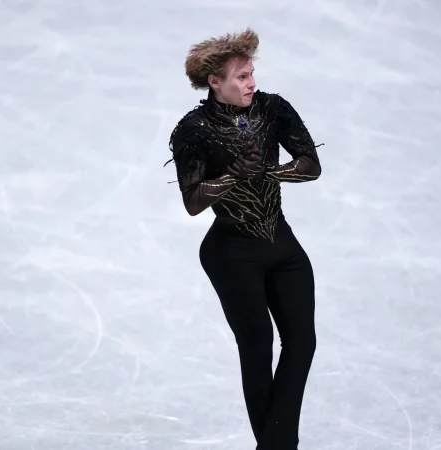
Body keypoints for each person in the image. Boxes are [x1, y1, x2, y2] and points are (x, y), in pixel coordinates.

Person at [165, 28, 324, 450]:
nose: (251, 82)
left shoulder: (273, 109)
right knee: (257, 347)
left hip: (281, 244)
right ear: (214, 82)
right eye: (241, 76)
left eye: (252, 73)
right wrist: (235, 173)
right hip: (231, 252)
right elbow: (193, 202)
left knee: (302, 342)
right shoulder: (193, 130)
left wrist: (267, 172)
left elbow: (311, 166)